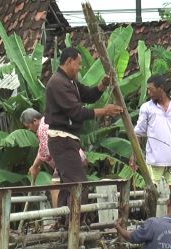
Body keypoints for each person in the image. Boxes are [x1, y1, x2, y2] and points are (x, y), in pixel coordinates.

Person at [44, 47, 123, 212]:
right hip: (62, 140)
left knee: (69, 186)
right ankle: (73, 224)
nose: (80, 68)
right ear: (69, 61)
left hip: (67, 140)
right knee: (79, 184)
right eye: (78, 64)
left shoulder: (68, 81)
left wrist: (103, 84)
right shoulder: (58, 83)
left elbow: (89, 95)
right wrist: (105, 111)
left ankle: (65, 223)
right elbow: (77, 112)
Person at [21, 108, 86, 208]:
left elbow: (45, 152)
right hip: (74, 157)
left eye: (28, 126)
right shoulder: (49, 122)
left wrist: (36, 166)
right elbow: (41, 149)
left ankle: (58, 217)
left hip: (65, 160)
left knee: (55, 187)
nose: (29, 129)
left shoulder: (42, 128)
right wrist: (34, 166)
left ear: (34, 121)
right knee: (69, 189)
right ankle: (68, 218)